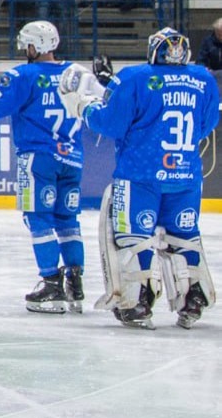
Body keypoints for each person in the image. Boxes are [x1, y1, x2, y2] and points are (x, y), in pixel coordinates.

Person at [64, 28, 219, 330]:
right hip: (185, 174)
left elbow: (111, 123)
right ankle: (193, 297)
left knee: (133, 238)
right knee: (183, 235)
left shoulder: (133, 76)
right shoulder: (203, 79)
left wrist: (84, 106)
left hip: (141, 175)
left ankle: (137, 302)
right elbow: (207, 122)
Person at [0, 21, 86, 314]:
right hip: (72, 158)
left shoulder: (23, 75)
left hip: (38, 158)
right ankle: (74, 282)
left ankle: (51, 283)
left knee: (39, 219)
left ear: (34, 46)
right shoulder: (77, 73)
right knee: (68, 221)